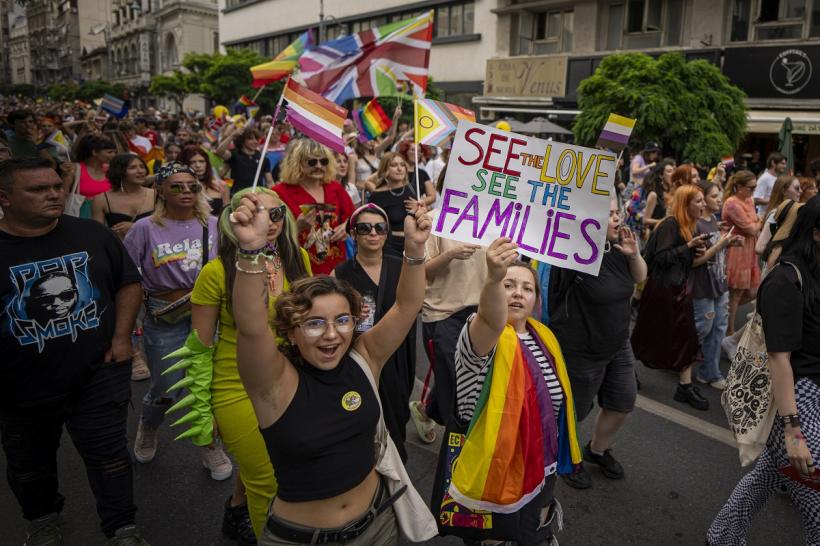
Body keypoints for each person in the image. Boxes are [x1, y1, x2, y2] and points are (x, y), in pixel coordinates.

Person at [228, 191, 432, 545]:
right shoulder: (272, 383)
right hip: (300, 538)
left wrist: (414, 250)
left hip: (378, 527)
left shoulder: (364, 357)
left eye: (342, 320)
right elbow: (251, 325)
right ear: (291, 332)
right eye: (314, 323)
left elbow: (408, 305)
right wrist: (250, 251)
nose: (331, 334)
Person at [0, 158, 150, 545]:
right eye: (36, 189)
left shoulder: (90, 234)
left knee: (111, 458)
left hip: (97, 374)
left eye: (55, 185)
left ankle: (122, 528)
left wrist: (122, 339)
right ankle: (43, 519)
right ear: (5, 198)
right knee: (30, 467)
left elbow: (128, 283)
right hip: (20, 386)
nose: (53, 193)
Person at [178, 188, 311, 542]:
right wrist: (204, 412)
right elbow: (199, 347)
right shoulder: (216, 271)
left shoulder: (298, 258)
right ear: (235, 220)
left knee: (274, 462)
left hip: (291, 382)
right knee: (269, 480)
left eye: (275, 213)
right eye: (255, 213)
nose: (267, 221)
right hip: (235, 387)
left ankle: (236, 510)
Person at [451, 238, 582, 544]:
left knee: (535, 532)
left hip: (541, 466)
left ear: (537, 300)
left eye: (527, 288)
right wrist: (495, 276)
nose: (517, 294)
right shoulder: (482, 333)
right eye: (509, 285)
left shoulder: (544, 337)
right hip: (497, 471)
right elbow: (490, 317)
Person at [708, 196, 820, 546]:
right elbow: (779, 359)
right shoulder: (786, 280)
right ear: (816, 234)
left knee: (769, 474)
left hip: (813, 396)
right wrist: (793, 432)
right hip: (792, 400)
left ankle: (722, 535)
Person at [122, 162, 232, 480]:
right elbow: (127, 275)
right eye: (176, 186)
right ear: (160, 190)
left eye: (192, 186)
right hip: (165, 316)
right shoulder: (144, 228)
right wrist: (126, 327)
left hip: (209, 314)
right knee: (167, 385)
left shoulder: (212, 225)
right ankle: (149, 424)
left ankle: (209, 443)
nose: (185, 191)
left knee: (206, 385)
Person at [548, 198, 646, 489]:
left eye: (618, 212)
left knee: (623, 400)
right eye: (610, 214)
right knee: (571, 413)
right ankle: (562, 460)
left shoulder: (619, 245)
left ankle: (597, 450)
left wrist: (633, 255)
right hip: (581, 349)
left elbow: (640, 278)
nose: (618, 218)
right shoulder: (571, 251)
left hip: (617, 343)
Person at [334, 203, 417, 462]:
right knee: (367, 410)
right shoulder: (341, 273)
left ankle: (396, 463)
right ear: (353, 234)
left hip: (399, 350)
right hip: (362, 355)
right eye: (364, 228)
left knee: (397, 410)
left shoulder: (401, 265)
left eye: (380, 227)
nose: (373, 233)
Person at [632, 185, 711, 410]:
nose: (703, 205)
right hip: (662, 291)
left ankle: (684, 387)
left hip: (679, 290)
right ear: (686, 205)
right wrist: (688, 246)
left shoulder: (689, 226)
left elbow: (686, 262)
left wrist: (701, 250)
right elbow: (657, 258)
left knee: (688, 338)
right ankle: (627, 370)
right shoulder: (670, 224)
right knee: (647, 335)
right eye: (699, 201)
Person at [273, 139, 354, 275]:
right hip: (299, 268)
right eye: (312, 162)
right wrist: (297, 227)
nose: (318, 166)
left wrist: (346, 226)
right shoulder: (279, 193)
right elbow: (270, 235)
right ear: (297, 164)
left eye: (323, 161)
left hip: (337, 268)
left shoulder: (334, 188)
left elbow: (354, 216)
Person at [691, 182, 742, 390]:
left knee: (719, 328)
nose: (719, 199)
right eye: (713, 196)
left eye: (718, 195)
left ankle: (709, 372)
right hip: (703, 286)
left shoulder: (713, 220)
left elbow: (716, 250)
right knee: (702, 327)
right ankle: (676, 356)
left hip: (719, 283)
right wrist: (721, 243)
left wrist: (728, 242)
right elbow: (696, 260)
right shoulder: (696, 225)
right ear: (701, 201)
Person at [722, 171, 761, 336]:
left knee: (752, 291)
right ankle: (729, 331)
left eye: (755, 187)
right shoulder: (732, 203)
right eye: (751, 187)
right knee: (736, 294)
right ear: (738, 187)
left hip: (749, 250)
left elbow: (754, 225)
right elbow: (752, 228)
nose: (753, 191)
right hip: (737, 251)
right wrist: (758, 221)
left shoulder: (749, 200)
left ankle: (722, 314)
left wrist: (756, 222)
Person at [366, 152, 421, 257]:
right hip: (391, 248)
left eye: (402, 165)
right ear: (385, 169)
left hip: (414, 245)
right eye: (394, 165)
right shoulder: (377, 196)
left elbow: (420, 219)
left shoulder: (410, 188)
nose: (400, 169)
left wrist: (421, 210)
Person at [91, 154, 155, 239]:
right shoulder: (101, 199)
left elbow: (168, 226)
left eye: (142, 167)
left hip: (152, 248)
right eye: (132, 168)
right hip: (118, 248)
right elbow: (97, 233)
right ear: (119, 172)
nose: (140, 171)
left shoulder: (155, 195)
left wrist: (135, 227)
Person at [756, 175, 802, 257]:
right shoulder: (775, 214)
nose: (801, 191)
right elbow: (760, 248)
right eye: (797, 188)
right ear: (784, 191)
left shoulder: (791, 211)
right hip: (778, 266)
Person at [72, 134, 117, 217]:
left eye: (115, 152)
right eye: (110, 152)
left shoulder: (111, 170)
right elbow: (64, 195)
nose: (113, 155)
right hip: (81, 217)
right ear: (94, 152)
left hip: (107, 217)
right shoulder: (74, 169)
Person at [217, 128, 273, 193]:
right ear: (242, 140)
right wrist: (232, 136)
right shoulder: (234, 155)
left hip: (257, 195)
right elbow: (219, 152)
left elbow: (270, 182)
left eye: (256, 139)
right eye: (250, 138)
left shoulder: (263, 158)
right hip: (238, 195)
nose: (255, 141)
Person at [180, 145, 229, 217]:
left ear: (207, 163)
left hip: (216, 226)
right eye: (193, 162)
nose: (198, 165)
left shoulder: (221, 185)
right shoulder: (180, 187)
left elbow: (226, 214)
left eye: (202, 161)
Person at [642, 158, 677, 233]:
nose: (673, 174)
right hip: (655, 234)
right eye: (669, 171)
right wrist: (664, 221)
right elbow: (645, 220)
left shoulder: (672, 192)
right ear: (661, 175)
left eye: (673, 171)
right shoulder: (654, 195)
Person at [753, 151, 787, 217]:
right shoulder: (765, 178)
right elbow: (756, 199)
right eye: (782, 164)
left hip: (773, 215)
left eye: (785, 164)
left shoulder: (776, 177)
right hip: (763, 215)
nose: (785, 166)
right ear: (773, 163)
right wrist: (775, 200)